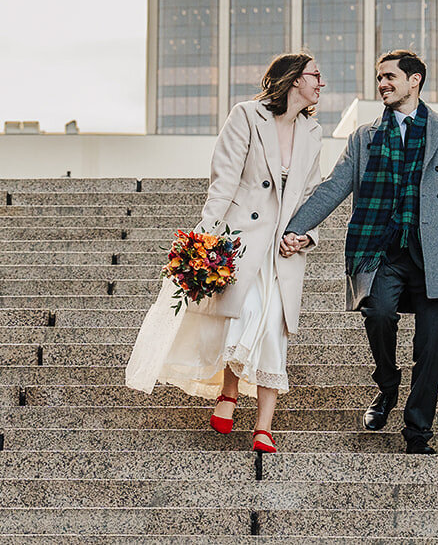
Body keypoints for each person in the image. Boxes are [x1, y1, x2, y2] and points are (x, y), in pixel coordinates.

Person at [281, 49, 438, 454]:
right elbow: (335, 187)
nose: (382, 85)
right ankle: (387, 386)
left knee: (431, 347)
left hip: (437, 253)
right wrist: (295, 227)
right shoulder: (365, 137)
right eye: (379, 78)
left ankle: (417, 431)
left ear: (414, 81)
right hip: (382, 249)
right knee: (378, 313)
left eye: (390, 77)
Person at [125, 52, 325, 454]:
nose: (321, 82)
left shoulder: (313, 132)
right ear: (292, 80)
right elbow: (224, 180)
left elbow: (311, 195)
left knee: (273, 329)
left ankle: (263, 426)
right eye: (315, 74)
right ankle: (229, 394)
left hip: (283, 250)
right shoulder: (247, 116)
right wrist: (205, 236)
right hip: (243, 240)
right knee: (243, 316)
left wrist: (305, 235)